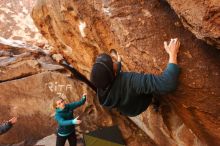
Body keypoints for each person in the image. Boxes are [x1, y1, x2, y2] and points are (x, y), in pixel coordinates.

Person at [90, 38, 181, 116]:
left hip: (128, 110)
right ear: (113, 73)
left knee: (135, 93)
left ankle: (152, 102)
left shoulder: (101, 86)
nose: (114, 61)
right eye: (112, 63)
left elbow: (113, 75)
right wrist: (173, 53)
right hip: (140, 105)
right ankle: (153, 100)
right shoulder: (130, 81)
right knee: (148, 91)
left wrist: (118, 64)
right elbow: (167, 83)